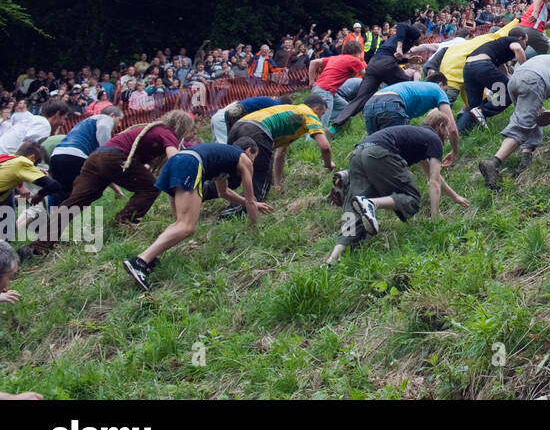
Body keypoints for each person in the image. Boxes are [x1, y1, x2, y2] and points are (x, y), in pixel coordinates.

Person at [24, 111, 196, 257]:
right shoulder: (165, 131)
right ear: (181, 125)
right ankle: (124, 221)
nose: (192, 132)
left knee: (74, 202)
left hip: (95, 158)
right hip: (113, 158)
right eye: (190, 129)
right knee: (151, 187)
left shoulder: (150, 129)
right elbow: (175, 157)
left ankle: (40, 245)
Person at [122, 139, 271, 292]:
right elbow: (251, 199)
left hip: (176, 161)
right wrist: (255, 230)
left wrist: (251, 204)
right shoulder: (243, 159)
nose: (253, 162)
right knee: (186, 227)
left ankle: (151, 259)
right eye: (255, 157)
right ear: (248, 151)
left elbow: (223, 192)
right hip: (190, 164)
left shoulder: (224, 158)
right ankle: (140, 262)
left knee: (180, 224)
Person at [324, 113, 468, 265]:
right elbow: (433, 183)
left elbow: (434, 177)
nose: (447, 134)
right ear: (441, 126)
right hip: (378, 154)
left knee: (354, 210)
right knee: (411, 199)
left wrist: (454, 196)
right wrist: (435, 217)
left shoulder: (415, 136)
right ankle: (371, 203)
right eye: (447, 130)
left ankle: (332, 260)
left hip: (358, 154)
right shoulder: (434, 140)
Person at [478, 47, 550, 189]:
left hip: (514, 80)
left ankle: (525, 160)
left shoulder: (544, 58)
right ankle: (494, 162)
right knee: (522, 126)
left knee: (532, 119)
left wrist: (547, 115)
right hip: (533, 81)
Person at [226, 98, 333, 204]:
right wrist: (328, 164)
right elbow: (325, 146)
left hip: (239, 125)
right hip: (257, 129)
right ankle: (242, 210)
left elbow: (280, 155)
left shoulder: (291, 114)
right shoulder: (309, 114)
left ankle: (213, 190)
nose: (320, 118)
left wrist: (277, 184)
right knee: (260, 182)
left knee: (229, 171)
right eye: (322, 114)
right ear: (316, 109)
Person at [330, 22, 423, 129]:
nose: (422, 40)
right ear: (421, 32)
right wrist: (399, 47)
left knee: (360, 99)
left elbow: (390, 55)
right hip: (385, 63)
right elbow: (401, 25)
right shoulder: (415, 33)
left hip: (373, 65)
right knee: (408, 88)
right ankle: (406, 122)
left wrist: (408, 59)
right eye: (423, 37)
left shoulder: (403, 38)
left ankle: (333, 128)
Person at [455, 30, 527, 133]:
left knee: (474, 106)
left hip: (468, 68)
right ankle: (483, 111)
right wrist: (526, 70)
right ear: (521, 38)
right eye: (526, 41)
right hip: (481, 66)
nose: (525, 45)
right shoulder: (515, 40)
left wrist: (507, 76)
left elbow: (500, 65)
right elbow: (518, 48)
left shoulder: (498, 45)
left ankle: (459, 132)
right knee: (511, 91)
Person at [47, 106, 123, 196]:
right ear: (112, 115)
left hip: (57, 156)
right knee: (90, 192)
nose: (119, 125)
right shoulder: (105, 119)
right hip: (75, 156)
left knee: (60, 193)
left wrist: (115, 188)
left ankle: (48, 210)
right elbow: (103, 127)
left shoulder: (87, 123)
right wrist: (107, 151)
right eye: (120, 120)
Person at [306, 40, 366, 128]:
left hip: (320, 88)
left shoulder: (335, 58)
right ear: (358, 51)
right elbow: (368, 75)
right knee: (321, 122)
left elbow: (313, 62)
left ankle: (329, 124)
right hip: (326, 91)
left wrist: (311, 81)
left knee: (346, 109)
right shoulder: (354, 60)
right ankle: (311, 140)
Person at [211, 95, 286, 145]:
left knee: (217, 144)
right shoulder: (275, 107)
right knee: (225, 146)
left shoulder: (269, 101)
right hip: (223, 119)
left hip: (220, 116)